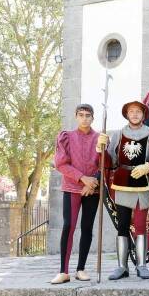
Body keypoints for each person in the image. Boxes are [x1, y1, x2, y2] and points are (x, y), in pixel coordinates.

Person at [101, 100, 149, 280]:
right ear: (127, 114)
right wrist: (101, 150)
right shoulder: (118, 135)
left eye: (138, 111)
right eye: (131, 111)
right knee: (122, 226)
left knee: (140, 225)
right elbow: (110, 162)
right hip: (122, 184)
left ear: (143, 115)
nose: (135, 114)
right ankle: (122, 267)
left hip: (142, 184)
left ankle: (141, 265)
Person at [51, 104, 106, 284]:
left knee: (87, 227)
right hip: (72, 187)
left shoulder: (100, 138)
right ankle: (63, 271)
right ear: (76, 116)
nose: (84, 118)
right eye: (81, 115)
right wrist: (83, 178)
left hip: (93, 189)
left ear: (93, 118)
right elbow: (61, 164)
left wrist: (94, 181)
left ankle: (80, 269)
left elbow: (106, 164)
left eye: (88, 115)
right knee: (69, 226)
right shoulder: (66, 137)